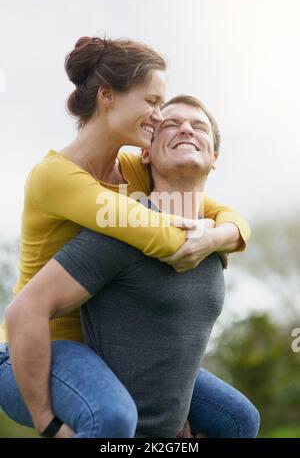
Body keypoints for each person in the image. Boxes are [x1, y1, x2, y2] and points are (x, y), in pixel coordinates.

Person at [1, 95, 259, 438]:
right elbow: (24, 310)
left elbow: (174, 344)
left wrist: (177, 413)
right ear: (146, 154)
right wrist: (49, 425)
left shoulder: (214, 239)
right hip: (41, 356)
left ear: (214, 157)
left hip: (134, 388)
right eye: (170, 124)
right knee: (112, 420)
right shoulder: (119, 229)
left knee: (239, 420)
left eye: (199, 127)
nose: (185, 128)